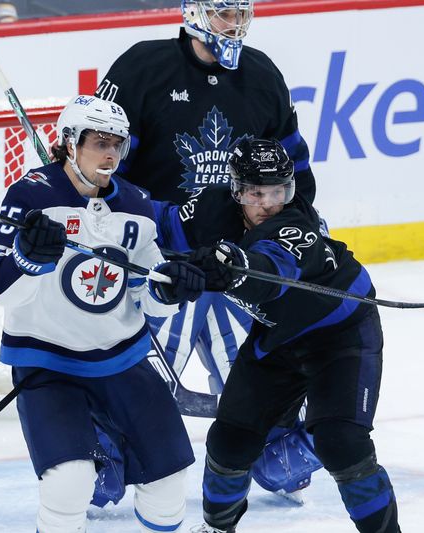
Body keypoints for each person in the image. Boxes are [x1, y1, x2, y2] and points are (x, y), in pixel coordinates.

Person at [94, 0, 321, 503]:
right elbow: (100, 160)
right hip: (157, 256)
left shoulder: (262, 74)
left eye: (242, 13)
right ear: (194, 13)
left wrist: (297, 228)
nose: (235, 24)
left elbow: (294, 169)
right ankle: (105, 449)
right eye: (224, 13)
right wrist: (107, 228)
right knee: (130, 363)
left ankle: (274, 441)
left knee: (265, 355)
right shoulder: (141, 67)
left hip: (235, 261)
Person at [0, 95, 206, 533]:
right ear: (69, 142)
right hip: (46, 362)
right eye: (99, 141)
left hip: (122, 359)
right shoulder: (30, 194)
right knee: (69, 482)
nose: (109, 154)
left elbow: (145, 287)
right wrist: (27, 259)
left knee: (169, 483)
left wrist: (172, 288)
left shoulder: (138, 203)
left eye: (117, 144)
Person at [153, 138, 400, 532]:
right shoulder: (211, 208)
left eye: (279, 191)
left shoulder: (296, 224)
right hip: (279, 336)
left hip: (341, 336)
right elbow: (155, 223)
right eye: (256, 192)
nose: (269, 203)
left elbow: (271, 272)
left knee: (341, 443)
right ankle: (217, 529)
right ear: (236, 190)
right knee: (229, 442)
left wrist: (233, 267)